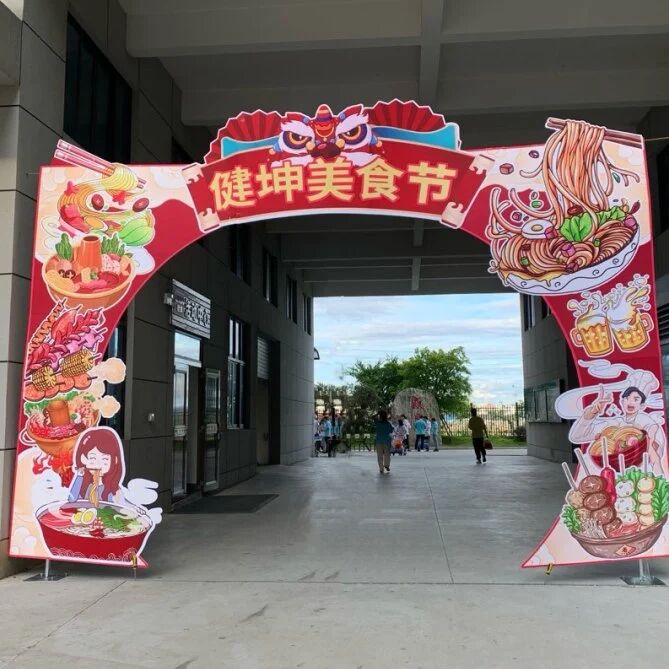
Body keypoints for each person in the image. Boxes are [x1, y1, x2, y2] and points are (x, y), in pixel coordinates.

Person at [68, 427, 125, 504]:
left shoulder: (113, 489)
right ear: (83, 459)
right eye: (92, 458)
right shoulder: (85, 485)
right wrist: (79, 476)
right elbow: (72, 499)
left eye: (105, 459)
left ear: (115, 460)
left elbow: (119, 507)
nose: (98, 464)